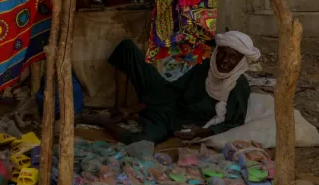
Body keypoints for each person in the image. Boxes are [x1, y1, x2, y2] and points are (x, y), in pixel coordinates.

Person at [101, 31, 259, 144]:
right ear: (216, 52)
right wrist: (133, 108)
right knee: (126, 48)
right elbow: (175, 89)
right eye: (223, 54)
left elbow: (233, 123)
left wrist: (202, 131)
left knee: (142, 141)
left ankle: (105, 123)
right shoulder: (207, 66)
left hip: (175, 119)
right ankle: (119, 109)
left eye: (233, 57)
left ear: (240, 61)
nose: (225, 61)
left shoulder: (239, 85)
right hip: (167, 98)